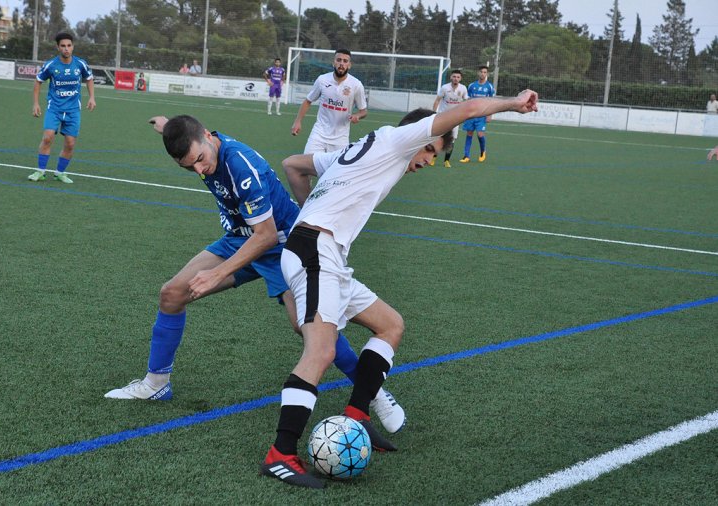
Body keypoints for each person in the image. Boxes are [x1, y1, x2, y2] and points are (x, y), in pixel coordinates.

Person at [260, 89, 539, 488]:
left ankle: (358, 415)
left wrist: (310, 212)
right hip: (315, 251)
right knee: (320, 351)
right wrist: (514, 103)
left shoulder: (360, 147)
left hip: (325, 252)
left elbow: (293, 165)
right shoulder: (397, 139)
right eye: (431, 152)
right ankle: (280, 454)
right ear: (421, 139)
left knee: (390, 325)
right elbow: (470, 109)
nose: (428, 161)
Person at [104, 115, 406, 435]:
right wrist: (167, 126)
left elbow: (266, 236)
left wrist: (216, 273)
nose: (199, 170)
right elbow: (185, 135)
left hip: (282, 245)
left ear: (208, 137)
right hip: (240, 237)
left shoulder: (242, 167)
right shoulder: (199, 143)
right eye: (188, 166)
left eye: (200, 161)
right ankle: (156, 383)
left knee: (309, 328)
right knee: (172, 294)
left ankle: (372, 391)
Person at [28, 32, 95, 184]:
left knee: (70, 144)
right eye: (63, 46)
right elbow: (38, 82)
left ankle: (60, 173)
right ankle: (40, 171)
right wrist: (36, 103)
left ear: (73, 47)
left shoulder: (80, 64)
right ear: (58, 47)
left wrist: (92, 97)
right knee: (47, 138)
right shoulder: (51, 65)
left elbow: (89, 79)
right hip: (55, 108)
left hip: (73, 110)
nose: (66, 49)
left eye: (69, 46)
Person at [291, 49, 368, 153]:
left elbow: (363, 111)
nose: (341, 64)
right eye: (339, 60)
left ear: (349, 65)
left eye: (345, 61)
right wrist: (297, 121)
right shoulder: (322, 80)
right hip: (319, 134)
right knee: (307, 166)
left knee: (336, 169)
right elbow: (308, 101)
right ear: (333, 62)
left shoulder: (356, 85)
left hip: (341, 139)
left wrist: (357, 116)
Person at [431, 69, 468, 168]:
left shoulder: (463, 88)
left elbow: (466, 101)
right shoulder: (444, 87)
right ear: (451, 77)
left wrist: (464, 114)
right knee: (439, 137)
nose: (456, 78)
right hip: (443, 117)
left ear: (461, 79)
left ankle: (446, 161)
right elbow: (437, 101)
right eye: (454, 76)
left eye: (458, 77)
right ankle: (433, 157)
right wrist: (433, 114)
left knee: (451, 140)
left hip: (455, 118)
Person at [459, 65, 496, 164]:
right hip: (471, 114)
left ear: (487, 74)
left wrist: (490, 115)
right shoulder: (472, 85)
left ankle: (482, 151)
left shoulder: (489, 87)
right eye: (481, 72)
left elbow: (492, 102)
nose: (483, 74)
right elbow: (468, 100)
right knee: (469, 133)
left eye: (485, 72)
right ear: (478, 73)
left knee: (480, 134)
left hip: (482, 114)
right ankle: (466, 156)